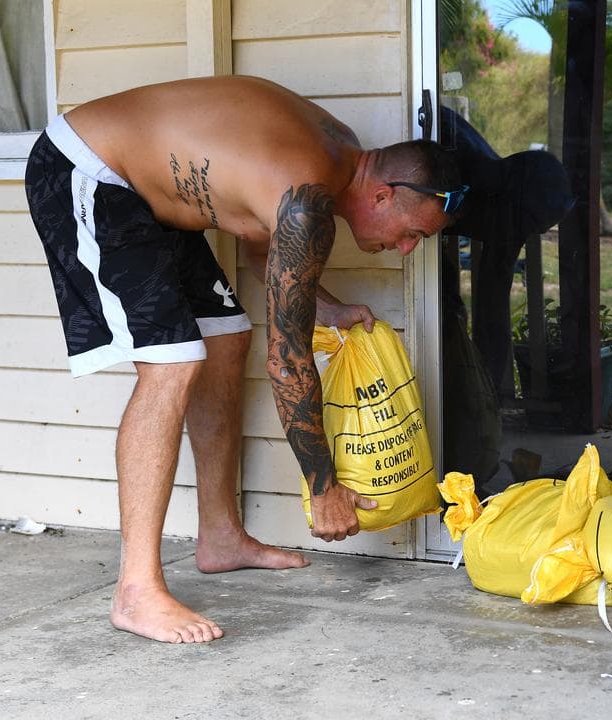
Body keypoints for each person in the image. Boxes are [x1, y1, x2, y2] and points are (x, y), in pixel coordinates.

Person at [23, 76, 464, 644]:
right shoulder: (309, 196)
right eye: (412, 234)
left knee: (227, 339)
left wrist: (325, 306)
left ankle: (221, 537)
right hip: (89, 171)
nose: (405, 249)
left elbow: (264, 241)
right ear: (381, 196)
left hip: (147, 198)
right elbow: (288, 356)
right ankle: (136, 591)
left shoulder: (335, 159)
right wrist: (322, 483)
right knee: (172, 364)